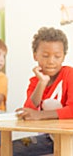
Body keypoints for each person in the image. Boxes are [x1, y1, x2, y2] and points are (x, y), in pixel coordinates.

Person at [14, 27, 73, 156]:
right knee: (11, 149)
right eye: (45, 56)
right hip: (49, 139)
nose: (51, 61)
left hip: (69, 139)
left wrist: (39, 115)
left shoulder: (69, 74)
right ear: (35, 56)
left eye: (57, 56)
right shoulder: (35, 81)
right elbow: (29, 110)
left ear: (63, 57)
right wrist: (42, 82)